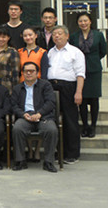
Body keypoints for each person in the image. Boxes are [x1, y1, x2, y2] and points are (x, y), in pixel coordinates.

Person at [11, 61, 58, 173]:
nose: (29, 73)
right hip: (25, 117)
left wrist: (39, 113)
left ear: (37, 73)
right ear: (22, 73)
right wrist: (22, 114)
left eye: (31, 71)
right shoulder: (17, 88)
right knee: (17, 128)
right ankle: (20, 161)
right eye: (26, 71)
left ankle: (48, 162)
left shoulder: (45, 85)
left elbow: (51, 102)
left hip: (43, 116)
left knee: (51, 129)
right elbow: (13, 105)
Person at [47, 25, 85, 164]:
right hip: (52, 86)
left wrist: (78, 92)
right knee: (54, 120)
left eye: (59, 33)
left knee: (70, 120)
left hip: (68, 87)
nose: (56, 36)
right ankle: (59, 151)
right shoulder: (50, 52)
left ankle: (72, 154)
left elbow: (80, 74)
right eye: (54, 34)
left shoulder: (75, 52)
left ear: (67, 36)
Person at [70, 12, 106, 138]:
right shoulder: (74, 36)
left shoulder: (98, 35)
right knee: (82, 99)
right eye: (80, 21)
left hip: (94, 70)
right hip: (79, 70)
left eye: (85, 20)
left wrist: (93, 60)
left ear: (90, 21)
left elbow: (103, 51)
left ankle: (93, 126)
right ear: (78, 23)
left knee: (94, 99)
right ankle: (85, 126)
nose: (83, 23)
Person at [0, 25, 20, 93]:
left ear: (8, 38)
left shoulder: (12, 52)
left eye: (3, 37)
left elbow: (15, 73)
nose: (1, 39)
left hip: (7, 86)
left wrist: (15, 90)